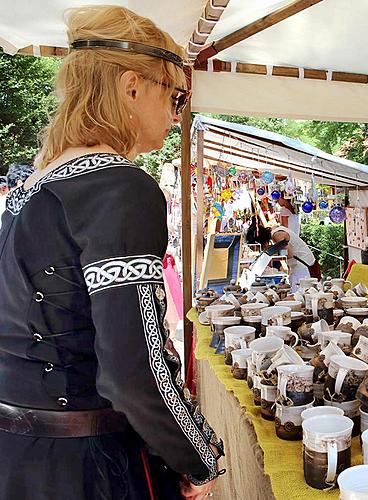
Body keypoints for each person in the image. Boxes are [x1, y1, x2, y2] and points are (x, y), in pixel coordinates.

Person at [0, 6, 222, 499]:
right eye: (175, 95)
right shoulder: (120, 188)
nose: (175, 113)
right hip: (92, 468)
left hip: (22, 461)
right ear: (132, 87)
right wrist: (198, 456)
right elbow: (134, 370)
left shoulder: (33, 187)